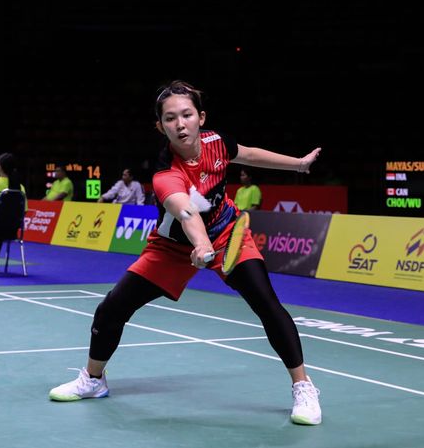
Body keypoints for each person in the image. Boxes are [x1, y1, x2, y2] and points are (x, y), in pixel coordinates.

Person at [48, 80, 323, 425]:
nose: (180, 124)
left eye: (187, 115)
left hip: (226, 232)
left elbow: (248, 153)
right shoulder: (165, 173)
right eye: (170, 118)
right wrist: (200, 244)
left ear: (200, 118)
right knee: (111, 309)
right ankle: (93, 379)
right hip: (173, 246)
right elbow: (186, 211)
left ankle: (303, 387)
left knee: (267, 304)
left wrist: (298, 164)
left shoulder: (217, 142)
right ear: (160, 126)